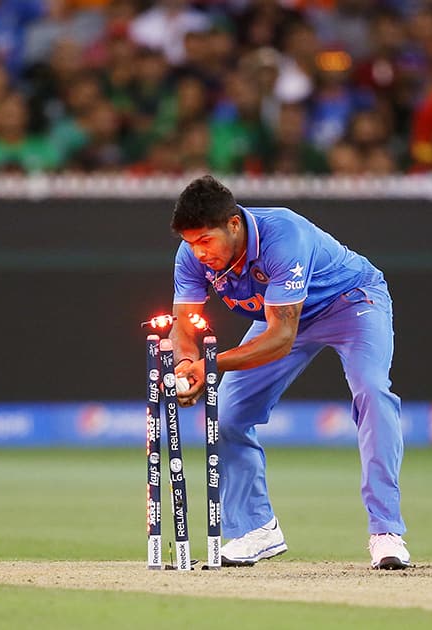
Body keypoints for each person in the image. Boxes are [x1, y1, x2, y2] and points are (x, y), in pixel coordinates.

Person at [168, 174, 410, 570]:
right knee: (227, 416)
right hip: (280, 315)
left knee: (371, 390)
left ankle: (386, 531)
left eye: (205, 241)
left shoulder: (283, 235)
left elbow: (281, 338)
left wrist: (209, 365)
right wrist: (184, 365)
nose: (199, 253)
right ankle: (257, 529)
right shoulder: (191, 255)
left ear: (233, 224)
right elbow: (183, 325)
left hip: (349, 302)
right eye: (190, 244)